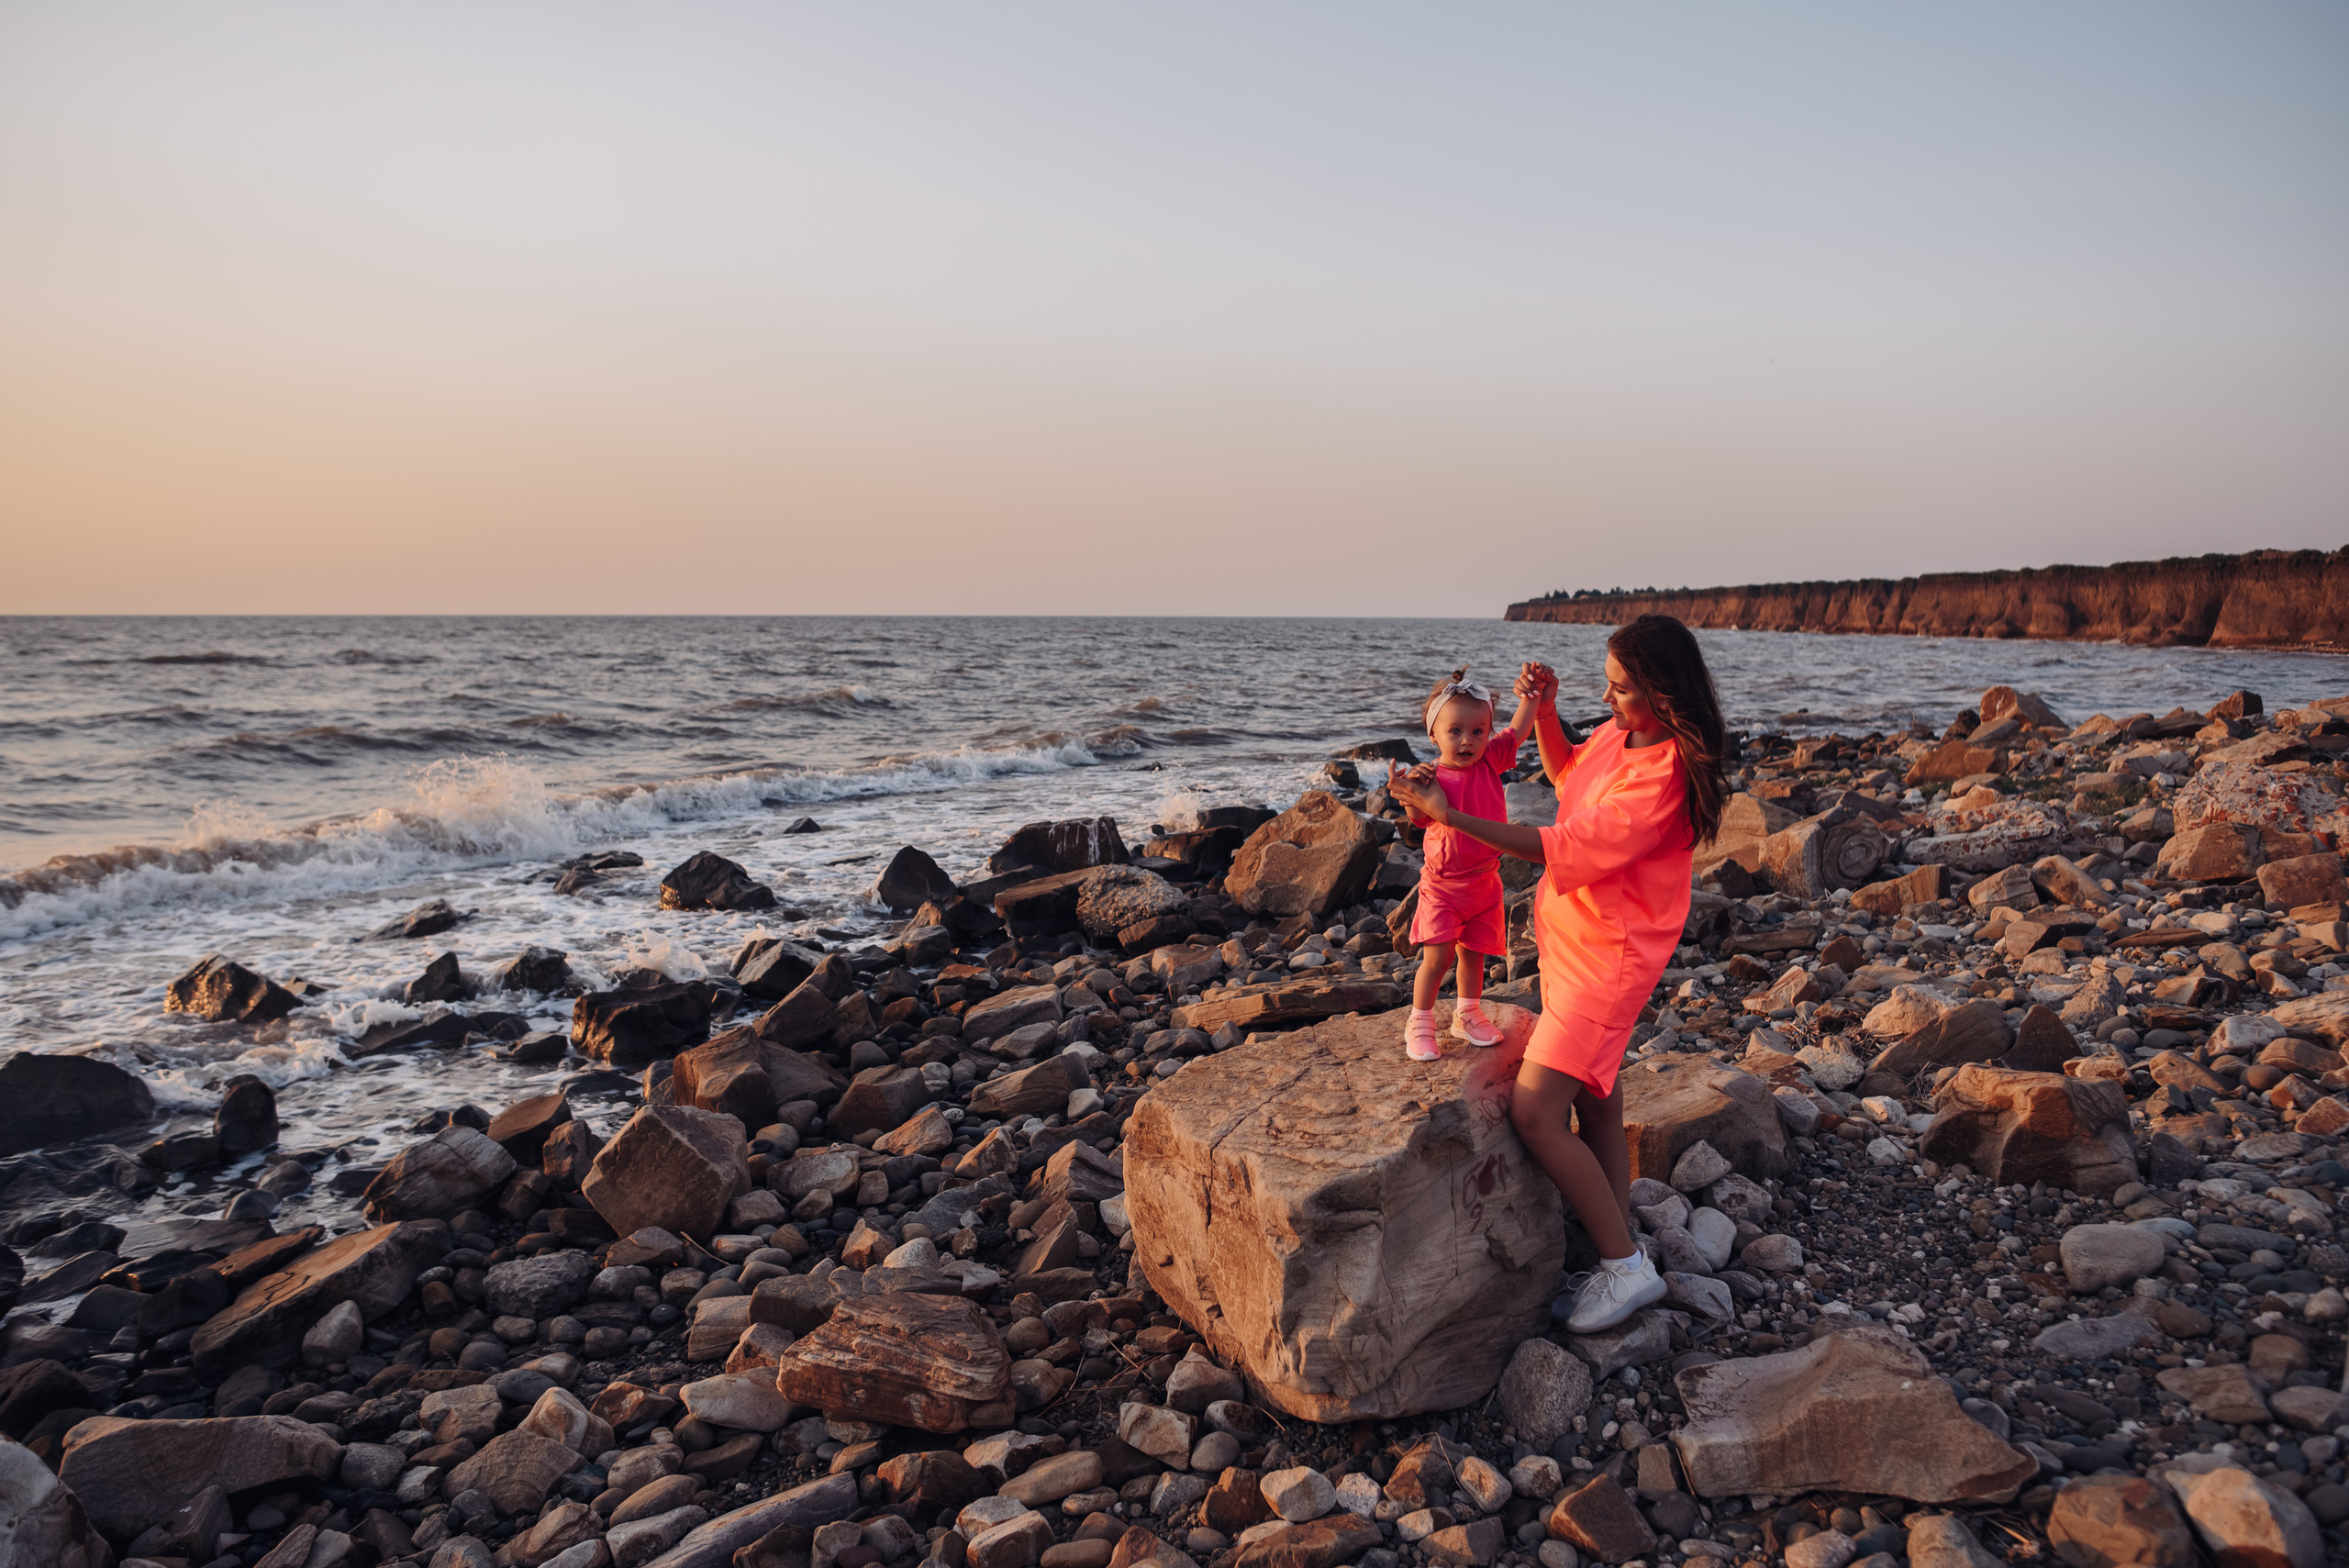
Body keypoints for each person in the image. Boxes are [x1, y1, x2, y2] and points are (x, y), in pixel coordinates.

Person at [1386, 616, 1728, 1332]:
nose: (1609, 701)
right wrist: (1543, 712)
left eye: (1624, 690)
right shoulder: (1622, 733)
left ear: (1666, 694)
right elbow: (1569, 771)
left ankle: (1625, 1267)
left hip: (1613, 956)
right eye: (1605, 684)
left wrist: (1451, 816)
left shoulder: (1663, 778)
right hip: (1574, 942)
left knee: (1537, 1111)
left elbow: (1558, 842)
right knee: (1598, 1097)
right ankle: (1617, 1228)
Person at [1395, 667, 1542, 1061]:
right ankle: (1420, 1019)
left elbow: (1519, 731)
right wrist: (1409, 793)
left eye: (1479, 731)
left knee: (1473, 953)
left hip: (1484, 881)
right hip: (1443, 885)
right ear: (1434, 735)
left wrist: (1533, 696)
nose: (1467, 740)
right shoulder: (1431, 778)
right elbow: (1418, 818)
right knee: (1438, 956)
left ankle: (1467, 1012)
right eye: (1455, 731)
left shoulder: (1491, 761)